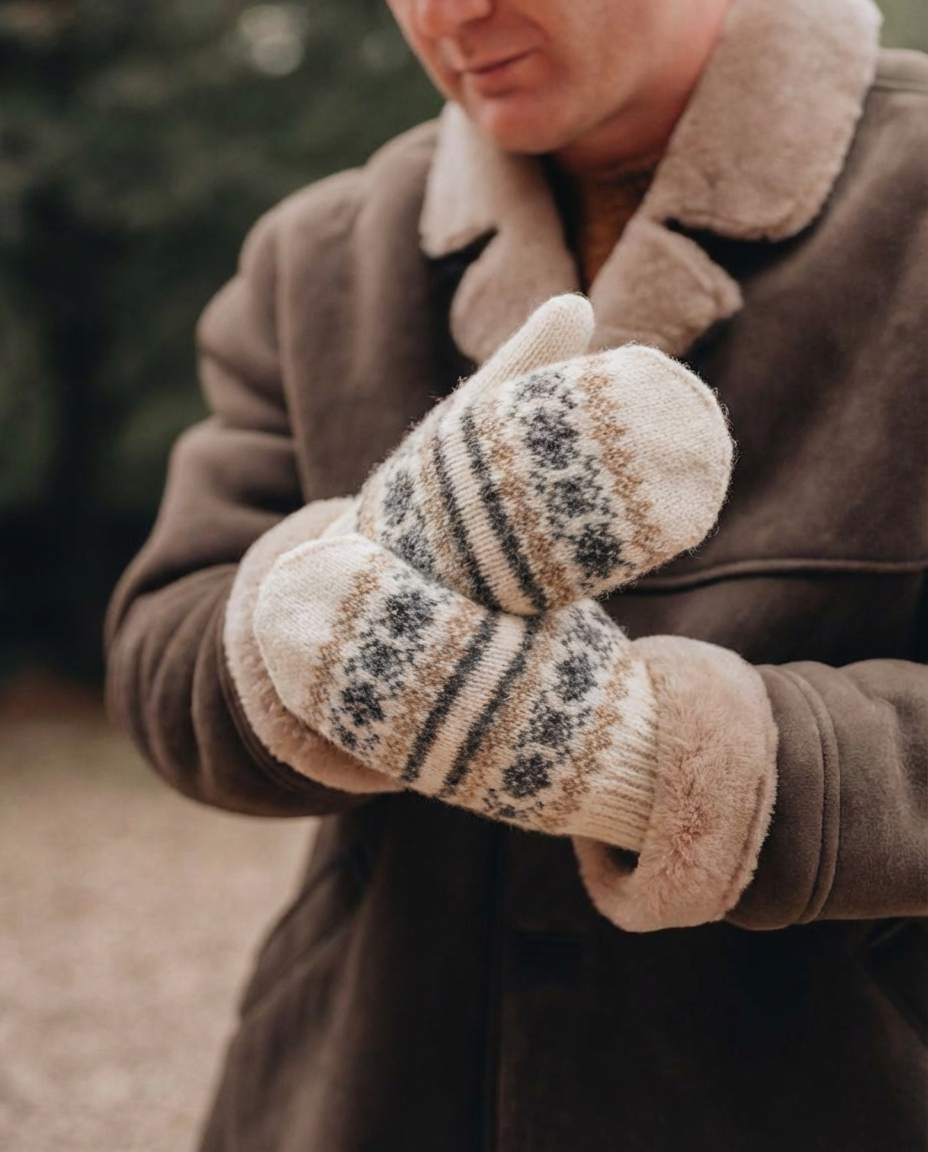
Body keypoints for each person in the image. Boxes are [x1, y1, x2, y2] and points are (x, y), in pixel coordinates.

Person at [105, 0, 927, 1148]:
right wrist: (337, 596)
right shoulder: (315, 256)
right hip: (364, 1091)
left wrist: (669, 766)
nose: (448, 13)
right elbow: (160, 658)